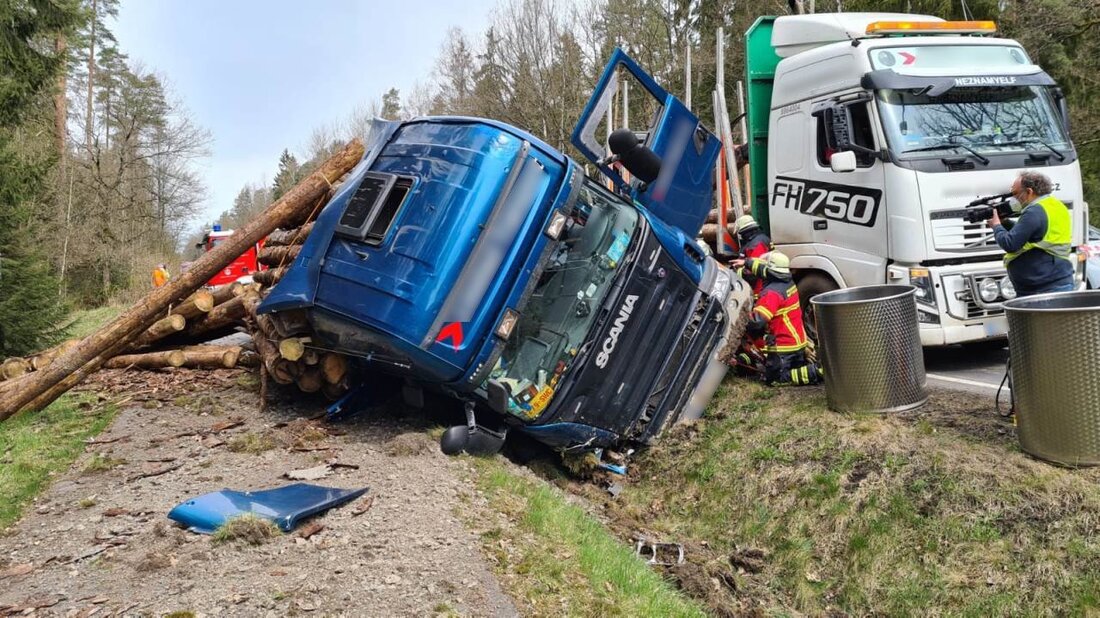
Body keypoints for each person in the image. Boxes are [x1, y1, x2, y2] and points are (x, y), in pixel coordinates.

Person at [737, 251, 823, 386]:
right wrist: (747, 262)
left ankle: (817, 372)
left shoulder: (772, 293)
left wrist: (739, 317)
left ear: (770, 270)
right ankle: (809, 367)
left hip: (783, 348)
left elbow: (757, 321)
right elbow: (765, 270)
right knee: (794, 369)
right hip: (798, 343)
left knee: (776, 379)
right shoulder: (788, 282)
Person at [988, 171, 1074, 296]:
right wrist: (1005, 223)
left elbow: (1010, 244)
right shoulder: (1055, 205)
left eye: (1016, 193)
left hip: (1041, 288)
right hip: (1057, 280)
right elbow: (1034, 235)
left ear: (1029, 192)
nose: (1014, 198)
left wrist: (996, 226)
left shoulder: (1034, 211)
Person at [729, 214, 774, 296]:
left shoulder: (755, 245)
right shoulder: (761, 238)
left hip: (760, 288)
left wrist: (736, 271)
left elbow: (753, 272)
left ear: (744, 231)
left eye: (740, 233)